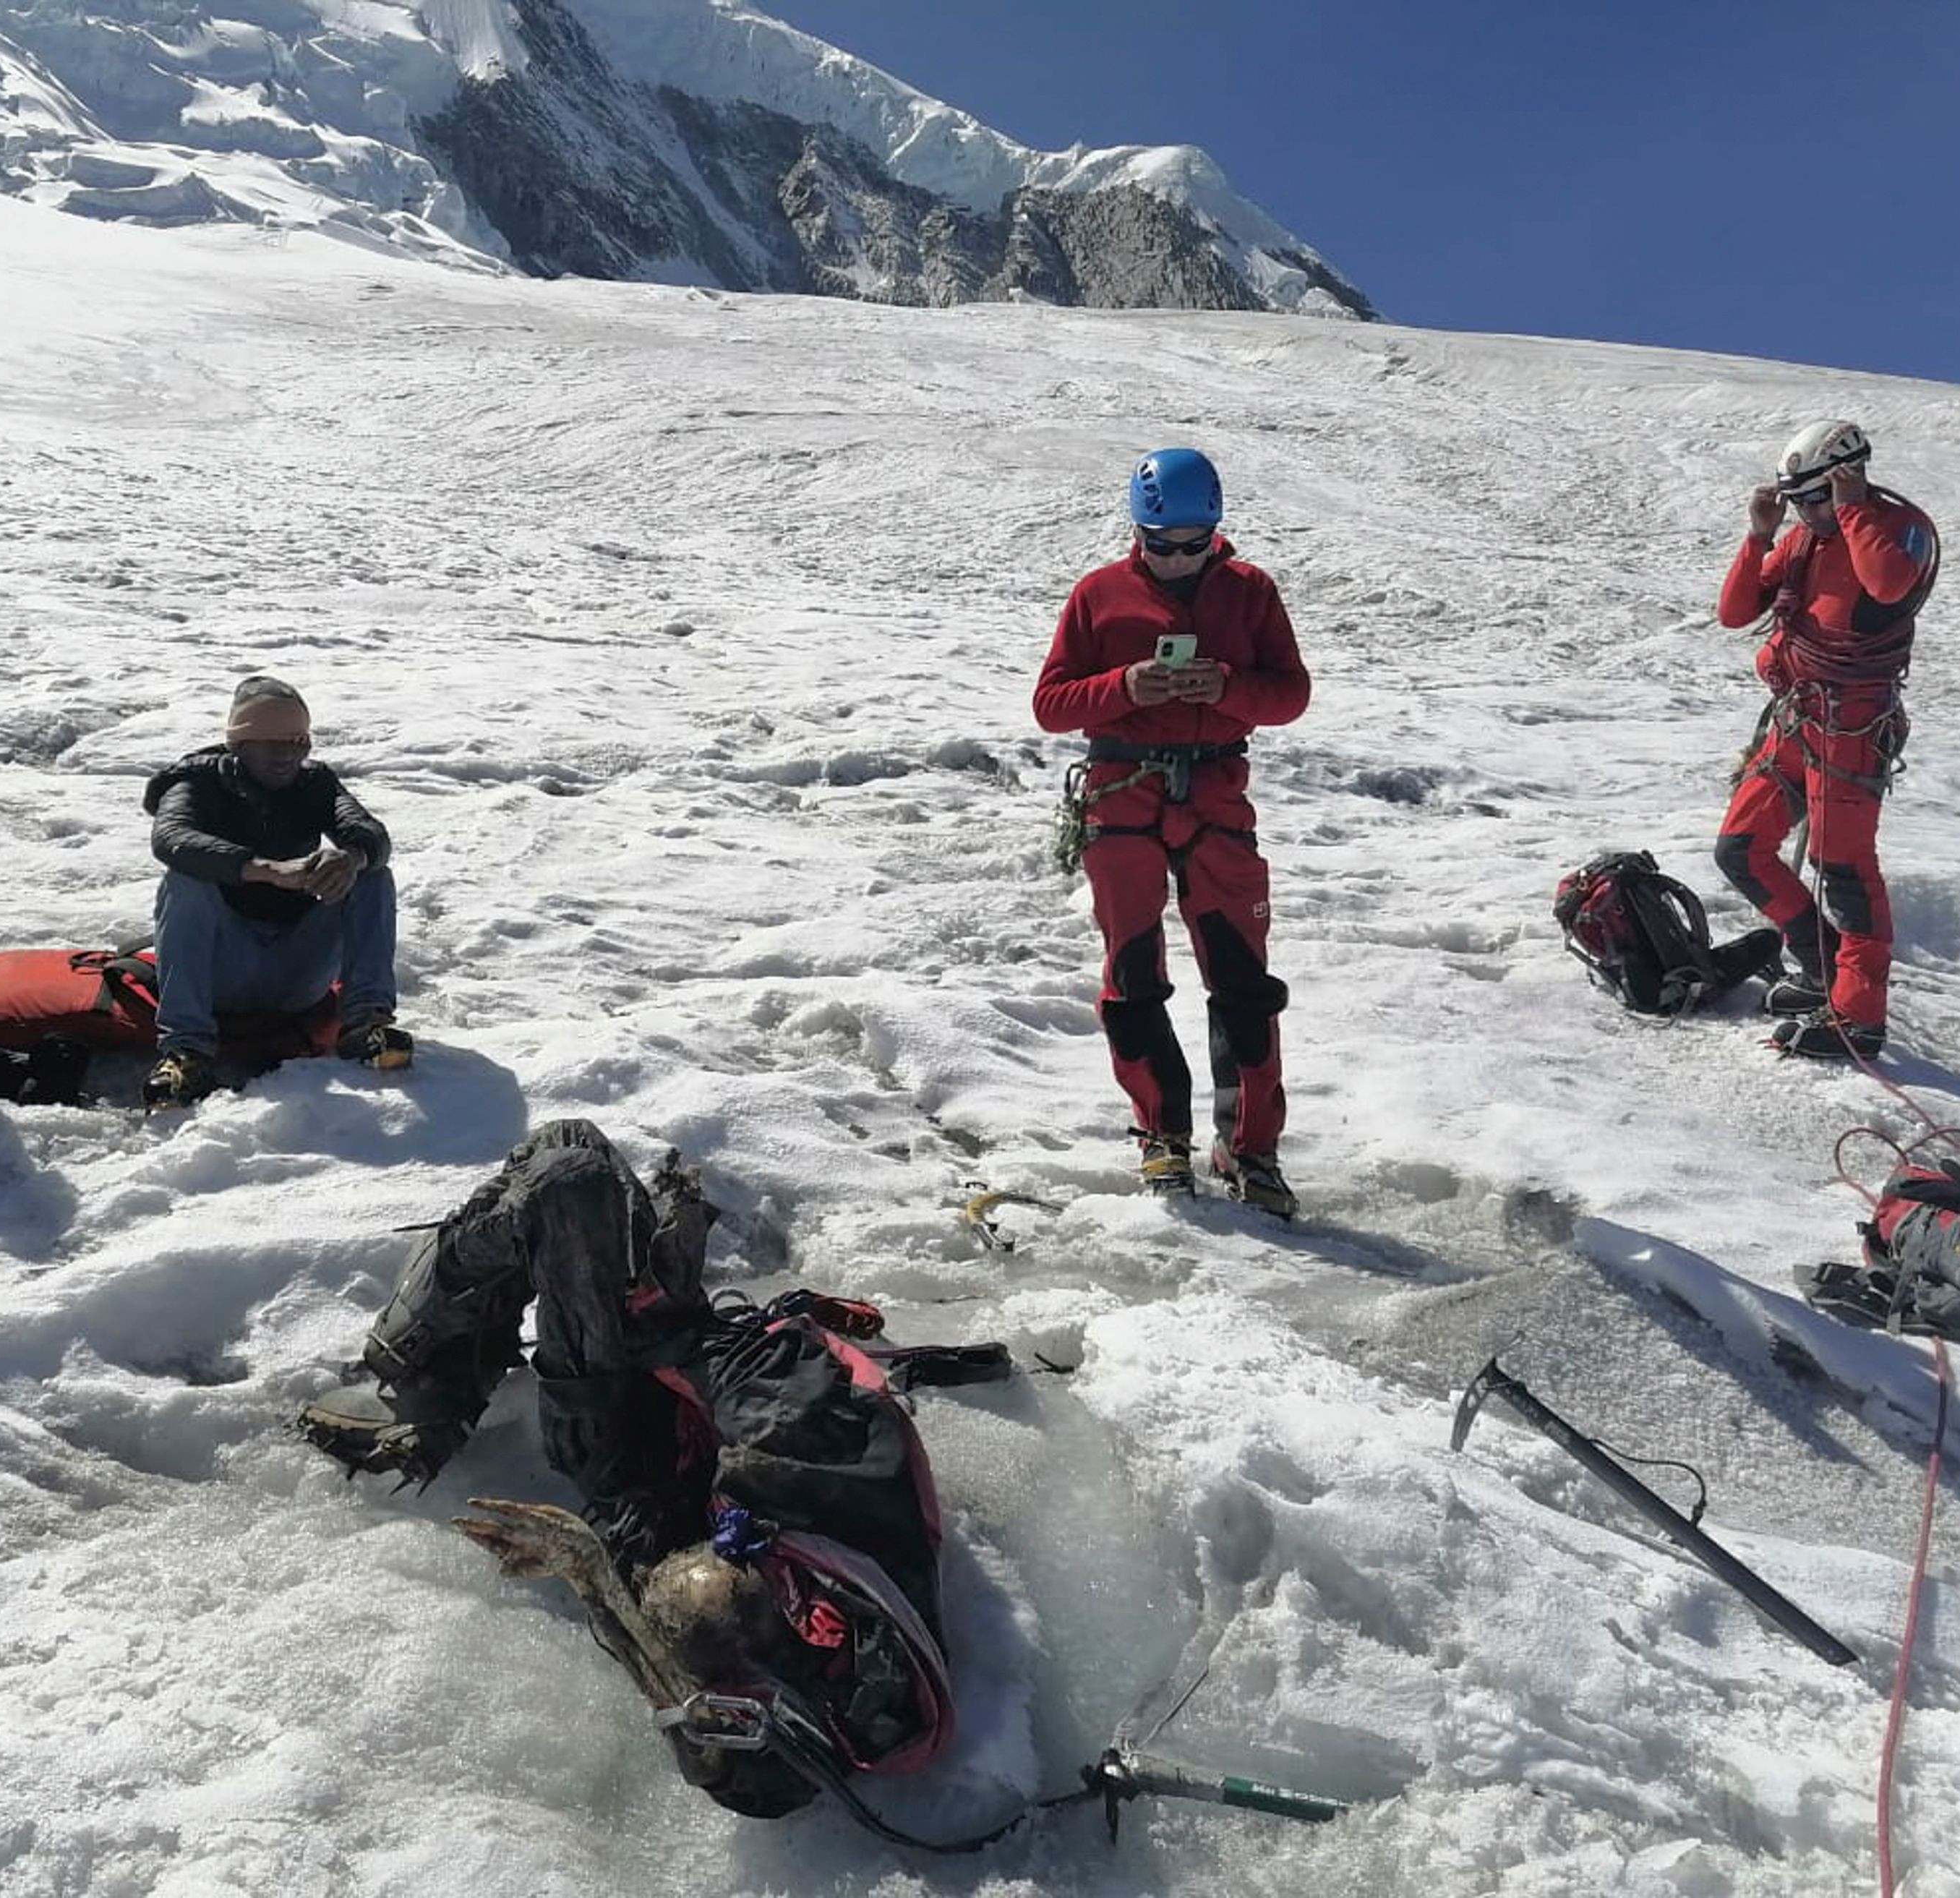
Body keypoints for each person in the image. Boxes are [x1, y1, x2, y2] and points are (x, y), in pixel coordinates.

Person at [298, 1120, 1005, 1819]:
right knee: (574, 1153)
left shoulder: (759, 1686)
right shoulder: (809, 1458)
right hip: (694, 1416)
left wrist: (587, 1564)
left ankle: (418, 1386)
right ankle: (443, 1368)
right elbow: (744, 1369)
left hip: (632, 1467)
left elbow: (674, 1670)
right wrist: (657, 1311)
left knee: (567, 1177)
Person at [1032, 449, 1311, 1215]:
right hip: (1121, 799)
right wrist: (1123, 688)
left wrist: (1226, 688)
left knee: (1243, 982)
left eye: (1196, 543)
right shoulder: (1098, 596)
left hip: (1216, 800)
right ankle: (1162, 1137)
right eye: (1162, 543)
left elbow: (1289, 694)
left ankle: (1250, 1149)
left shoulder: (1250, 591)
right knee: (1132, 974)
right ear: (1138, 529)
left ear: (1216, 531)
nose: (1180, 559)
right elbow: (1051, 704)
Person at [1712, 422, 1940, 1061]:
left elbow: (1890, 585)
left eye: (1814, 499)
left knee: (1845, 873)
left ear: (1849, 475)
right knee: (1739, 848)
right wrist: (1760, 535)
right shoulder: (1804, 541)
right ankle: (1824, 970)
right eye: (1800, 502)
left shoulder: (1897, 530)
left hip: (1851, 728)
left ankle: (1859, 1017)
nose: (1807, 514)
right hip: (1794, 719)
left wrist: (1852, 508)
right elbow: (1736, 610)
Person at [140, 675, 408, 1106]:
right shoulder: (195, 782)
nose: (288, 756)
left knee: (371, 873)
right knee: (184, 879)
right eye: (272, 744)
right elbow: (172, 838)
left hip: (296, 970)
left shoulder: (315, 783)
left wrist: (351, 858)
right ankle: (185, 1051)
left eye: (298, 743)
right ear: (240, 746)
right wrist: (263, 870)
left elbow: (370, 833)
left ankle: (367, 1024)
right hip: (222, 971)